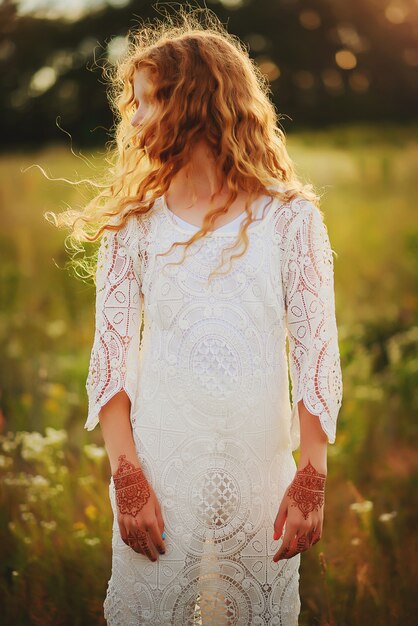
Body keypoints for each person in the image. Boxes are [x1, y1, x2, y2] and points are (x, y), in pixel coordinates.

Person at [75, 6, 343, 625]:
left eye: (146, 101)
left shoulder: (290, 219)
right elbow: (111, 360)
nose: (133, 117)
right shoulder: (132, 228)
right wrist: (127, 478)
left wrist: (311, 479)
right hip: (158, 472)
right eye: (132, 102)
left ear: (192, 103)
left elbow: (315, 352)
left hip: (260, 473)